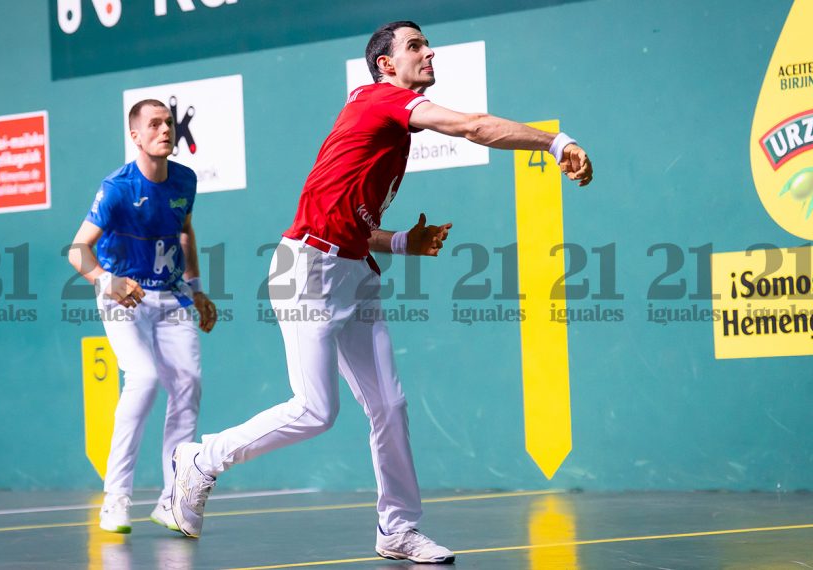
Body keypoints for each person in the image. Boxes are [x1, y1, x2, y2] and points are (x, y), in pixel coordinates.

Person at [170, 20, 592, 563]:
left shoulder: (391, 134)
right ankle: (200, 461)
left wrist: (400, 241)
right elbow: (475, 127)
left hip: (354, 269)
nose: (428, 52)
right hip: (308, 268)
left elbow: (353, 221)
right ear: (386, 64)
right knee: (316, 410)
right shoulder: (378, 101)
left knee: (389, 404)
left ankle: (397, 528)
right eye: (415, 46)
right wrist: (555, 142)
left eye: (426, 44)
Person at [68, 99, 218, 534]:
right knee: (144, 378)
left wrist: (196, 288)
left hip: (171, 297)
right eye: (154, 125)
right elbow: (78, 248)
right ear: (135, 136)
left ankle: (174, 498)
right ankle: (116, 498)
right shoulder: (116, 187)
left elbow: (185, 231)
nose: (165, 130)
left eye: (168, 123)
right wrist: (104, 280)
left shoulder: (184, 179)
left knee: (188, 383)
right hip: (123, 297)